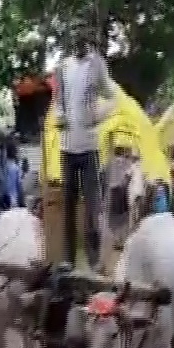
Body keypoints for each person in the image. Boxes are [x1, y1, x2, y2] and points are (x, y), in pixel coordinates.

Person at [53, 18, 117, 269]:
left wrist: (99, 114)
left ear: (88, 38)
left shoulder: (97, 64)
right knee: (68, 206)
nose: (79, 39)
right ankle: (68, 258)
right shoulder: (62, 67)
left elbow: (112, 96)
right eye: (74, 34)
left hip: (89, 148)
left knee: (92, 206)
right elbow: (59, 100)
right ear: (70, 38)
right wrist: (59, 115)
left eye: (83, 35)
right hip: (67, 147)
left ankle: (93, 260)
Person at [4, 141, 22, 209]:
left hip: (2, 199)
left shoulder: (2, 166)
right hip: (13, 199)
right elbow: (19, 186)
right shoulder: (15, 167)